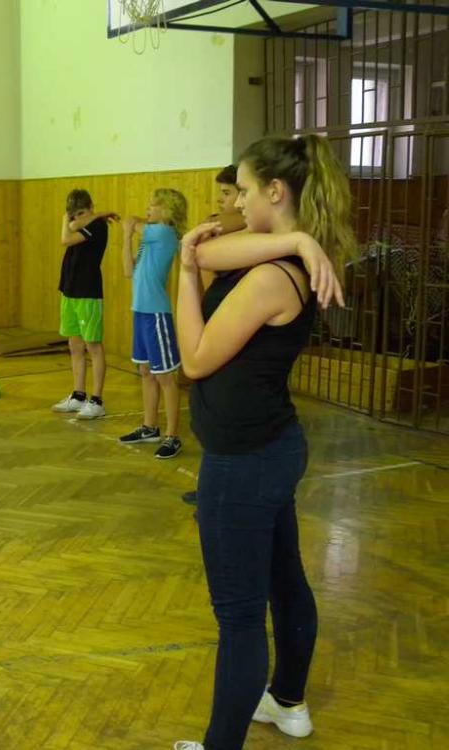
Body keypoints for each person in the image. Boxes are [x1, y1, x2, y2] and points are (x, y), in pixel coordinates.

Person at [172, 134, 354, 750]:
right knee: (283, 582)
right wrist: (296, 239)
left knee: (240, 615)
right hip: (270, 447)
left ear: (276, 191)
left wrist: (184, 275)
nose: (237, 202)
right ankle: (288, 702)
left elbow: (195, 359)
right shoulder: (285, 256)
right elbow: (213, 250)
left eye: (246, 191)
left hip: (244, 463)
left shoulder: (271, 280)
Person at [182, 165, 245, 504]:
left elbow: (205, 250)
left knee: (227, 413)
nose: (222, 200)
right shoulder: (224, 227)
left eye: (229, 193)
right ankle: (210, 487)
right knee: (210, 412)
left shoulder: (244, 230)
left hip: (231, 333)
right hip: (215, 321)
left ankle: (220, 493)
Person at [118, 188, 188, 459]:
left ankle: (172, 436)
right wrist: (126, 237)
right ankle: (149, 427)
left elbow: (133, 222)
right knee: (146, 372)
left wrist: (130, 225)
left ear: (167, 210)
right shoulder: (148, 238)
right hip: (140, 312)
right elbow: (128, 270)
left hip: (157, 314)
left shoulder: (164, 233)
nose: (147, 208)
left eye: (153, 205)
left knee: (165, 377)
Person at [52, 189, 117, 419]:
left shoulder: (98, 226)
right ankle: (78, 395)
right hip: (69, 290)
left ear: (90, 208)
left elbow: (66, 239)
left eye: (81, 213)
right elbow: (71, 228)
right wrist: (75, 220)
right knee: (75, 345)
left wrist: (69, 220)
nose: (76, 218)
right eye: (73, 214)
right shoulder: (84, 222)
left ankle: (97, 401)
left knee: (93, 346)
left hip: (87, 292)